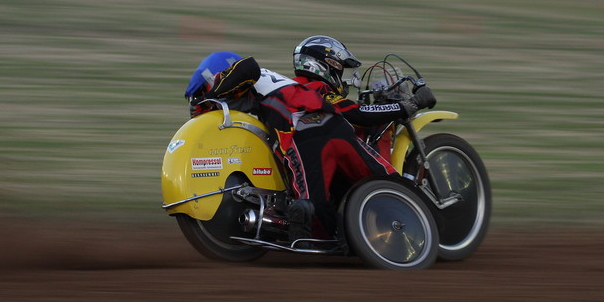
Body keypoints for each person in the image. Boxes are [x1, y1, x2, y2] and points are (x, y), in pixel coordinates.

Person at [184, 37, 435, 243]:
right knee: (391, 184)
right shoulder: (309, 88)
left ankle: (340, 235)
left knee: (314, 210)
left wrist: (211, 97)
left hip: (303, 138)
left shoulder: (283, 85)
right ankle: (420, 227)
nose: (343, 78)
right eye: (340, 70)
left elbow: (249, 70)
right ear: (327, 66)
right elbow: (358, 114)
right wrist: (410, 104)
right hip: (333, 129)